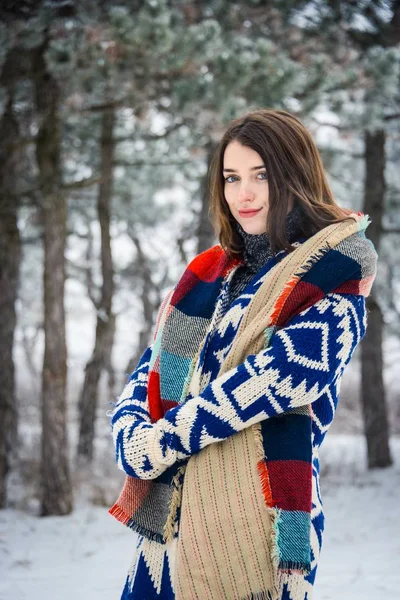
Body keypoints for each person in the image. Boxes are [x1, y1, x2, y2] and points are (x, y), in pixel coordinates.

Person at [108, 108, 378, 600]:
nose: (244, 194)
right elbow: (149, 370)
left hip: (261, 512)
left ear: (295, 175)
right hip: (173, 517)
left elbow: (283, 376)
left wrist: (163, 441)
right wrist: (128, 433)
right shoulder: (210, 274)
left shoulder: (338, 263)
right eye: (232, 177)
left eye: (261, 175)